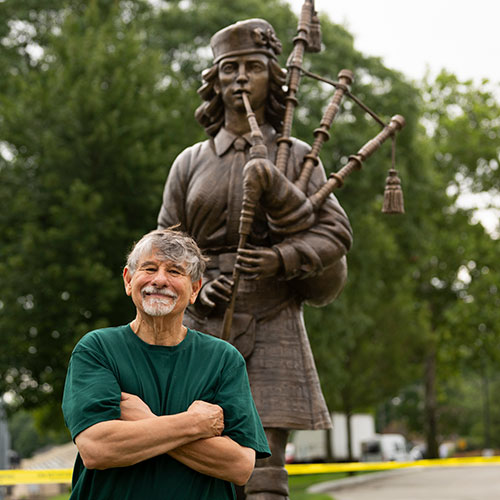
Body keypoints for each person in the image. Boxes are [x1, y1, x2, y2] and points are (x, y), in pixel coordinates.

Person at [157, 18, 353, 499]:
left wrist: (282, 259)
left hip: (272, 318)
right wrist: (196, 288)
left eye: (252, 67)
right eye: (229, 69)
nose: (240, 78)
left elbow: (335, 232)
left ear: (273, 77)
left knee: (264, 469)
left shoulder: (299, 156)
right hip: (200, 325)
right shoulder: (190, 162)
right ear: (215, 81)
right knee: (197, 455)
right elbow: (164, 244)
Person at [62, 228, 270, 500]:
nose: (160, 280)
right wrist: (195, 424)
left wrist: (144, 421)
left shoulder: (223, 360)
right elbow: (97, 448)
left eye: (175, 272)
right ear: (128, 280)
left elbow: (239, 466)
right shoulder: (97, 349)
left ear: (195, 289)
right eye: (149, 268)